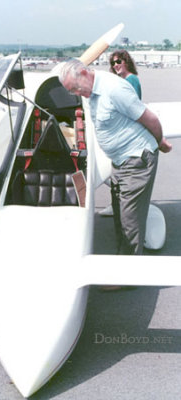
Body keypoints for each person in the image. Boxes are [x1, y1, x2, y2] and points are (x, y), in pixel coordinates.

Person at [58, 58, 172, 255]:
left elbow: (151, 119)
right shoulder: (91, 91)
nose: (77, 94)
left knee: (130, 219)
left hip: (136, 158)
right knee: (120, 212)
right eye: (71, 91)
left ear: (84, 73)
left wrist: (160, 142)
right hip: (120, 161)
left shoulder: (114, 89)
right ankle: (123, 258)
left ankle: (126, 274)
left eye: (76, 88)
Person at [100, 50, 142, 217]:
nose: (115, 65)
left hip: (126, 134)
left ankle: (123, 208)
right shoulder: (124, 80)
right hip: (122, 131)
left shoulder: (131, 80)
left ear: (126, 61)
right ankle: (116, 205)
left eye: (118, 61)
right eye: (113, 63)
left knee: (122, 172)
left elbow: (131, 107)